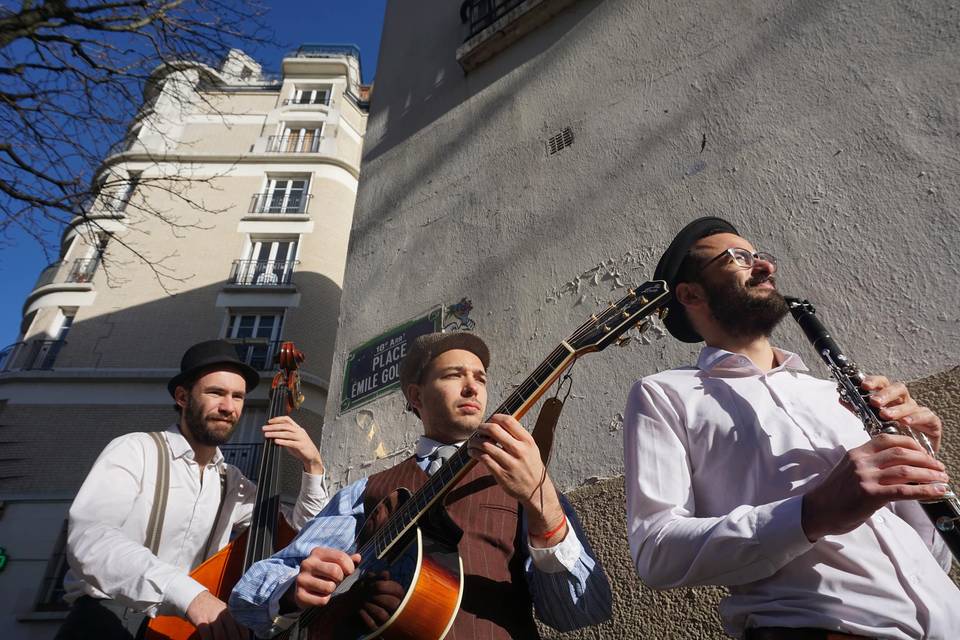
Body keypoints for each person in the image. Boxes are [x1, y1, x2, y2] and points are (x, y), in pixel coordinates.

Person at [623, 216, 960, 640]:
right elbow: (657, 552)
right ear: (690, 293)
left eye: (760, 256)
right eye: (738, 258)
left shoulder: (832, 392)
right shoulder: (665, 394)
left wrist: (920, 464)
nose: (764, 266)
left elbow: (930, 555)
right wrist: (811, 512)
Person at [230, 331, 612, 638]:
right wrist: (296, 588)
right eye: (453, 376)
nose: (472, 388)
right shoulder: (366, 490)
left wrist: (543, 503)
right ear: (416, 396)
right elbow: (248, 595)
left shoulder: (523, 481)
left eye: (480, 378)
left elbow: (582, 612)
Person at [58, 339, 329, 640]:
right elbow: (91, 541)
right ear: (183, 396)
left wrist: (312, 465)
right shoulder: (135, 450)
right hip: (105, 620)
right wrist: (190, 595)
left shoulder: (232, 482)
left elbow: (301, 534)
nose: (228, 407)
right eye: (216, 393)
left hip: (182, 630)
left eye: (238, 397)